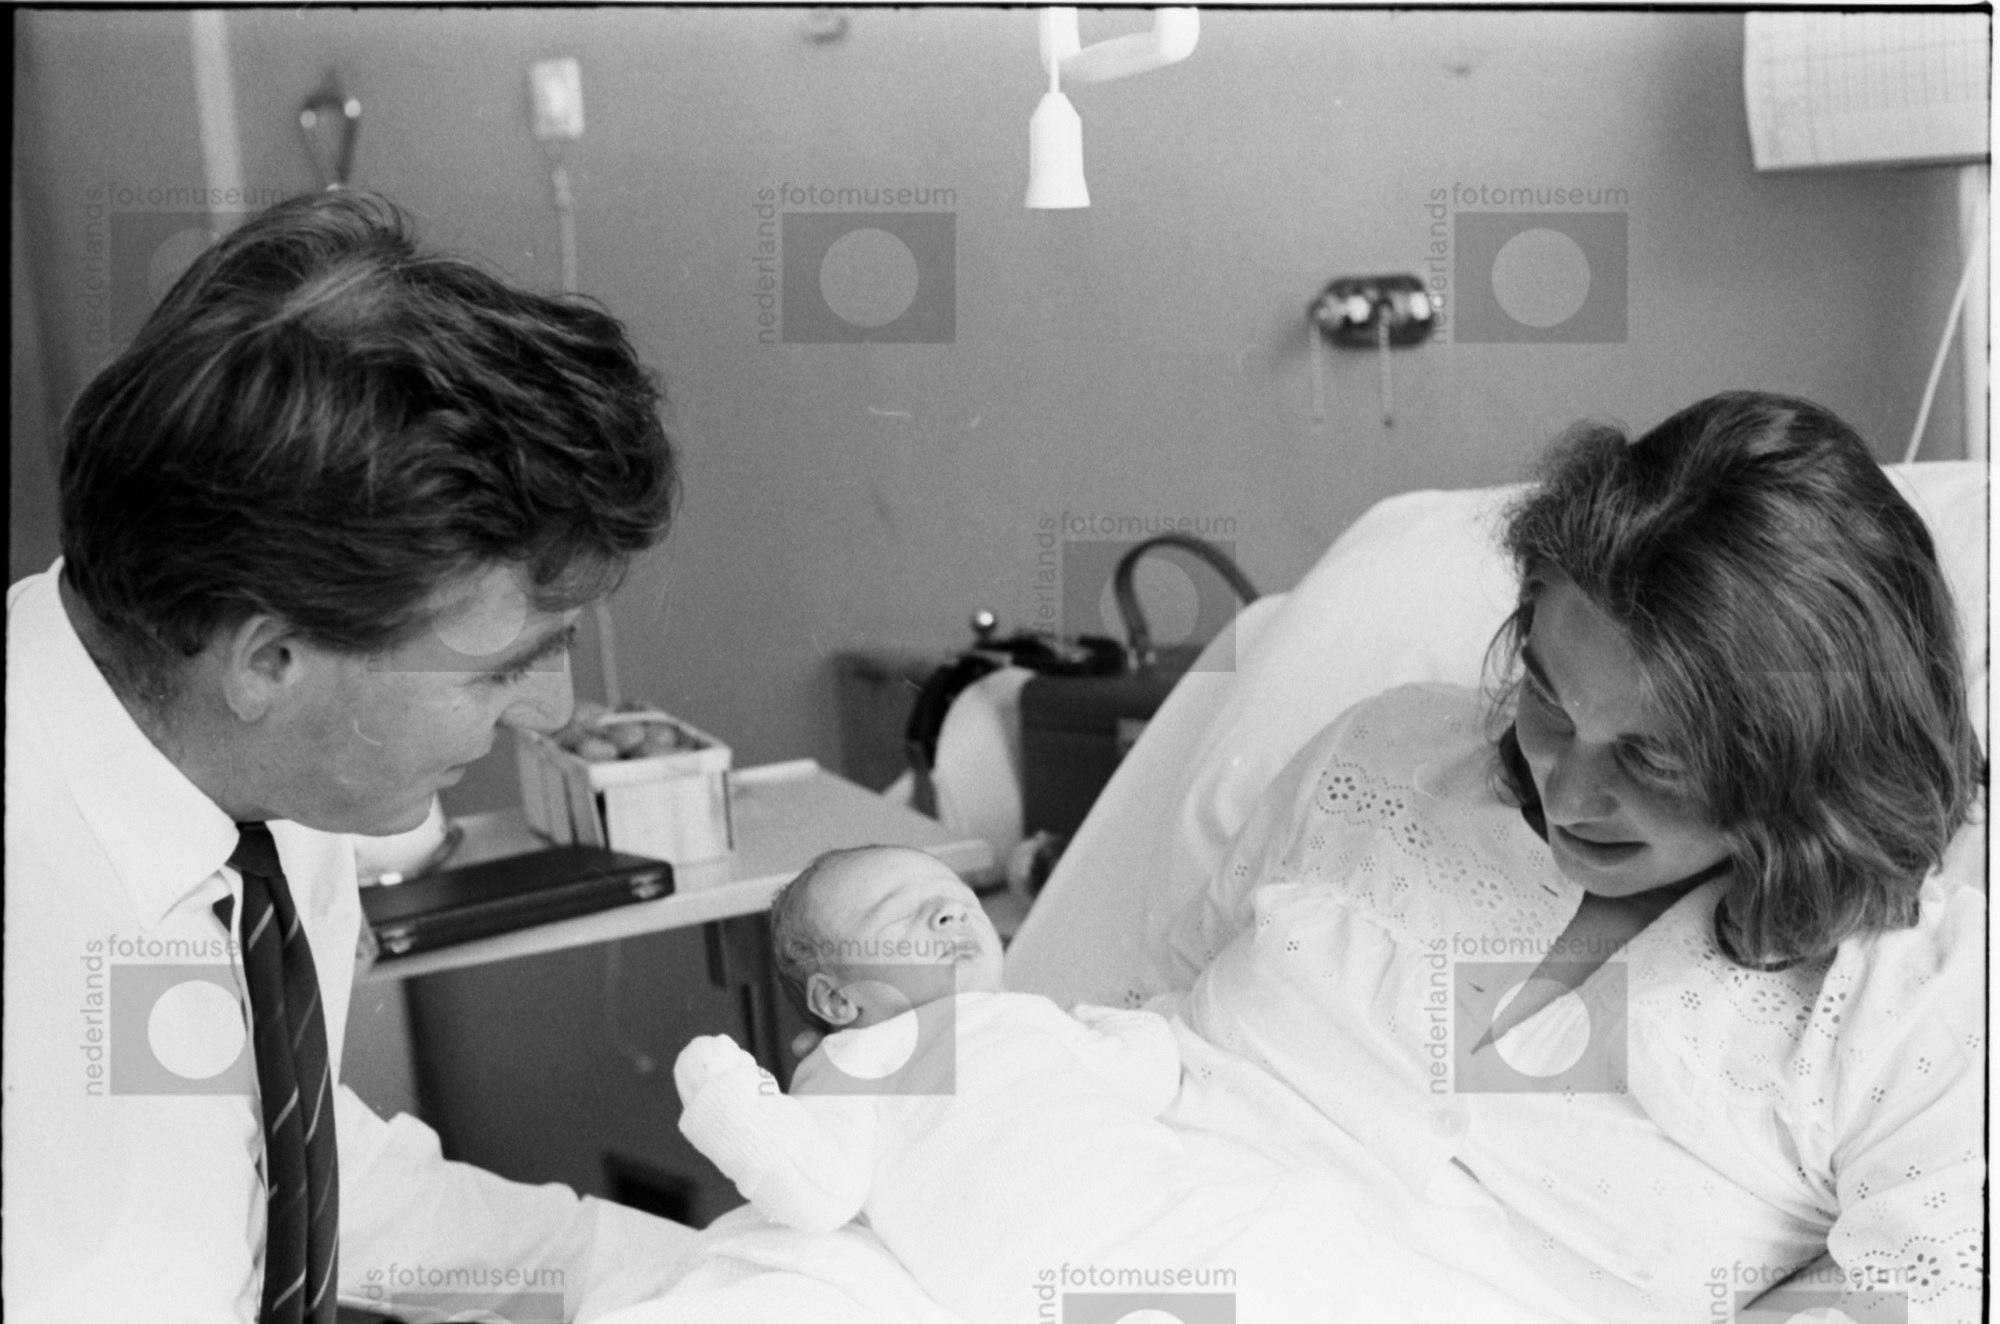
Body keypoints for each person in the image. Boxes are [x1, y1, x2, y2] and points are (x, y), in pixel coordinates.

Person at [5, 191, 693, 1323]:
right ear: (270, 659)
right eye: (501, 666)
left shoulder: (264, 789)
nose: (552, 710)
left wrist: (702, 1280)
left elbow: (277, 1173)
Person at [1163, 391, 1985, 1322]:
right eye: (1550, 703)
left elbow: (1920, 1295)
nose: (1570, 793)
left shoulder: (1912, 1006)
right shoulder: (1381, 755)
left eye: (1655, 759)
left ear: (1809, 755)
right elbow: (1148, 1012)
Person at [674, 846, 1551, 1324]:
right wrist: (730, 1102)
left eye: (954, 896)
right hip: (1050, 1281)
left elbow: (1147, 1072)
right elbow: (817, 1189)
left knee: (1295, 1260)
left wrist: (1114, 1029)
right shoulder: (866, 1058)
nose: (949, 910)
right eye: (899, 912)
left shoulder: (1033, 1019)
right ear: (838, 1000)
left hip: (1174, 1222)